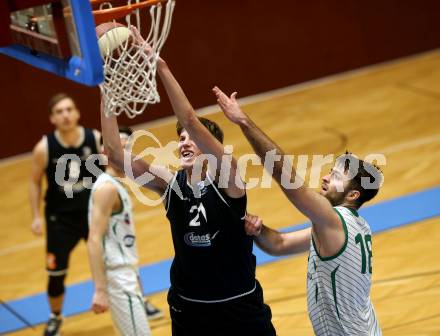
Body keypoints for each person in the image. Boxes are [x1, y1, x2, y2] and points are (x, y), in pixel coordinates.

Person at [100, 57, 276, 335]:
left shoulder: (229, 180)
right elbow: (113, 153)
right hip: (190, 308)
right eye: (180, 138)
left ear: (208, 146)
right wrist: (106, 87)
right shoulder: (170, 183)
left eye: (190, 138)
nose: (183, 141)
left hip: (239, 304)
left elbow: (190, 121)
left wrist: (162, 68)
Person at [213, 86, 383, 335]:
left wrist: (244, 122)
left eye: (335, 177)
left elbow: (290, 182)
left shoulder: (334, 220)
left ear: (353, 195)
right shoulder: (346, 227)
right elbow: (279, 243)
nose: (325, 178)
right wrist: (258, 229)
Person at [29, 93, 102, 336]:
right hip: (60, 219)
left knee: (118, 261)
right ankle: (55, 316)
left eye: (69, 109)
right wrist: (36, 216)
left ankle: (137, 300)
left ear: (78, 112)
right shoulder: (44, 148)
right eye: (59, 111)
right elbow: (34, 182)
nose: (66, 115)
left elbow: (111, 170)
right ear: (52, 118)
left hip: (95, 215)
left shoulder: (95, 138)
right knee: (56, 273)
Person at [87, 126, 154, 336]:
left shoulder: (115, 184)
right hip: (119, 278)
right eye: (119, 148)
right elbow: (93, 239)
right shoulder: (107, 188)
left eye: (128, 148)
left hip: (126, 275)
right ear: (104, 154)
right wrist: (100, 290)